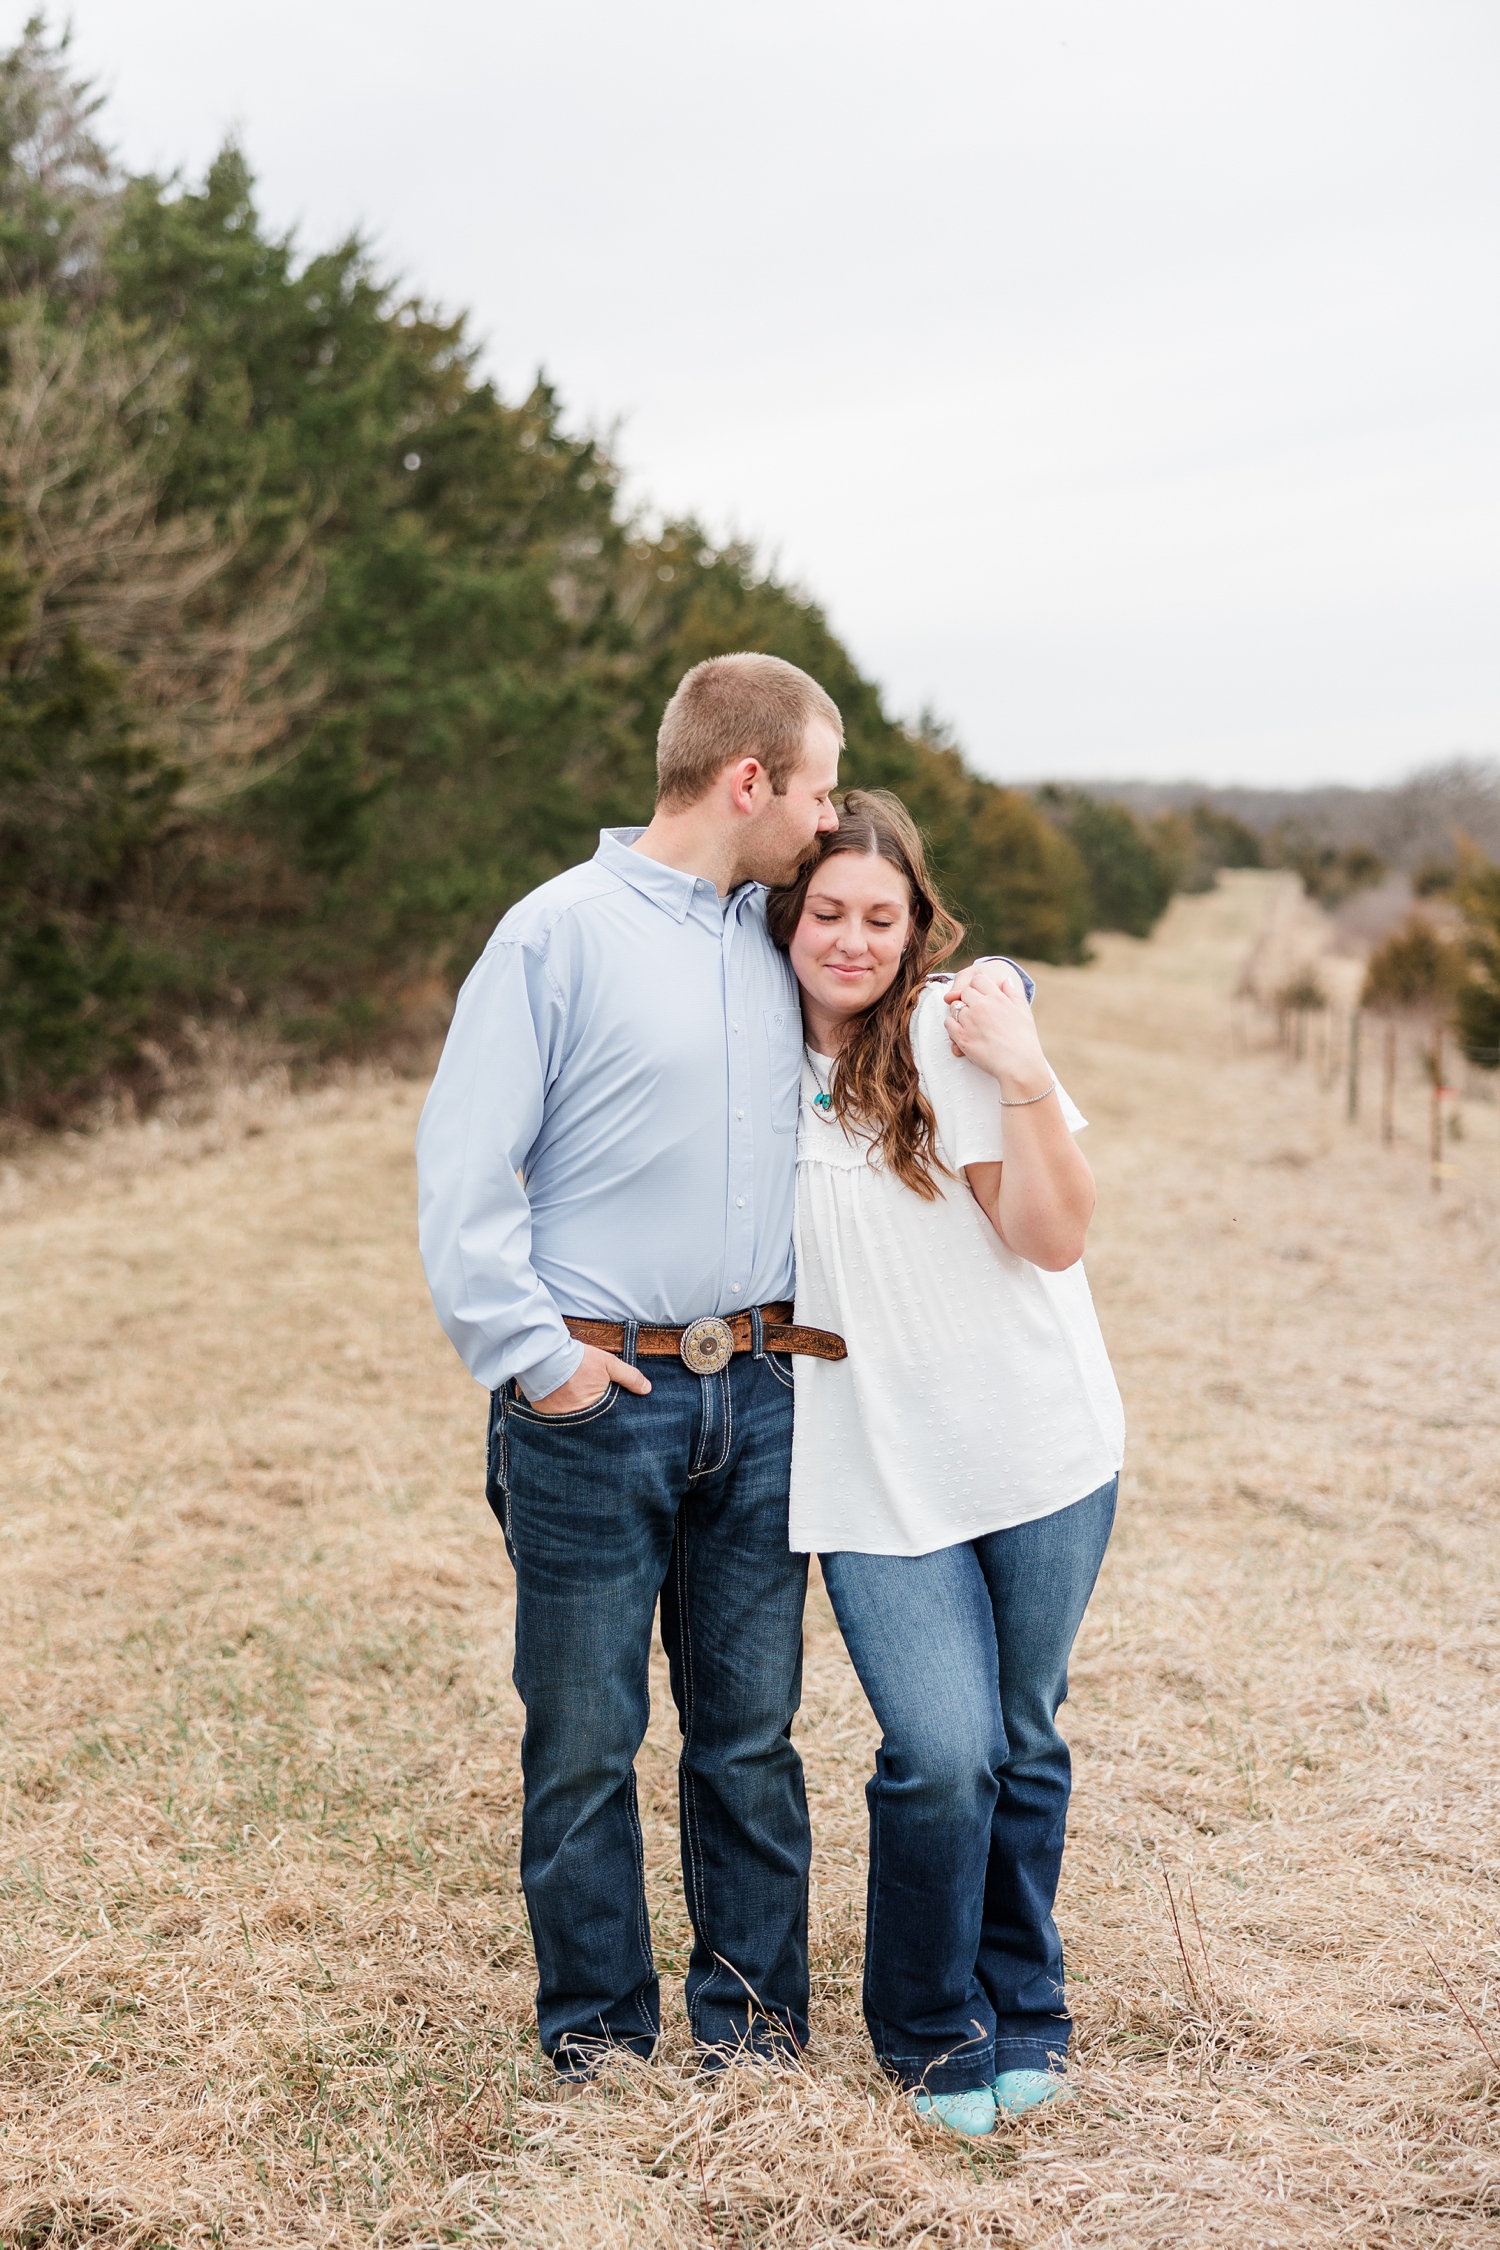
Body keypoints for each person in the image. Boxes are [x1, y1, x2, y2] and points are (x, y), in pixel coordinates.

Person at [415, 652, 854, 2077]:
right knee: (585, 1740)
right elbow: (462, 1172)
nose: (829, 815)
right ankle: (600, 2037)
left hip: (764, 1395)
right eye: (819, 787)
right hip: (597, 1403)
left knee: (750, 1740)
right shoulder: (555, 934)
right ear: (749, 780)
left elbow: (905, 969)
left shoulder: (779, 937)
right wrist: (538, 1363)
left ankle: (753, 2034)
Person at [766, 789, 1124, 2137]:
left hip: (1040, 1448)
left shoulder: (951, 1033)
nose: (851, 941)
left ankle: (1021, 1998)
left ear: (915, 924)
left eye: (882, 916)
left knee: (1023, 1735)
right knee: (941, 1751)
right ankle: (925, 2022)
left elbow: (1052, 1235)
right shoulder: (745, 1053)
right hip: (871, 1467)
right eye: (827, 912)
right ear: (786, 917)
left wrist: (1023, 1067)